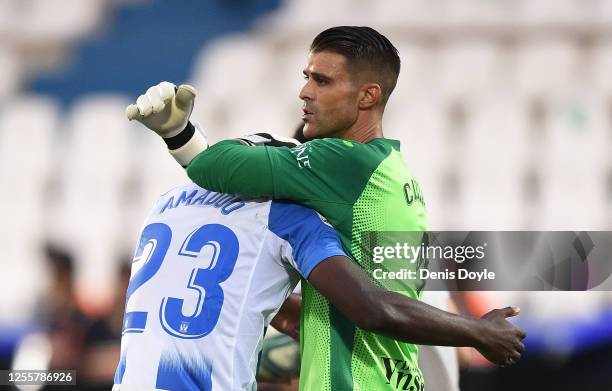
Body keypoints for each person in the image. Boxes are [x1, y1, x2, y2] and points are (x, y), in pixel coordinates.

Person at [126, 26, 527, 390]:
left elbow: (213, 166)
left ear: (368, 95)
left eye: (321, 80)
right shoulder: (392, 174)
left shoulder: (339, 161)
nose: (304, 92)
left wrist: (182, 134)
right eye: (306, 78)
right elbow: (354, 299)